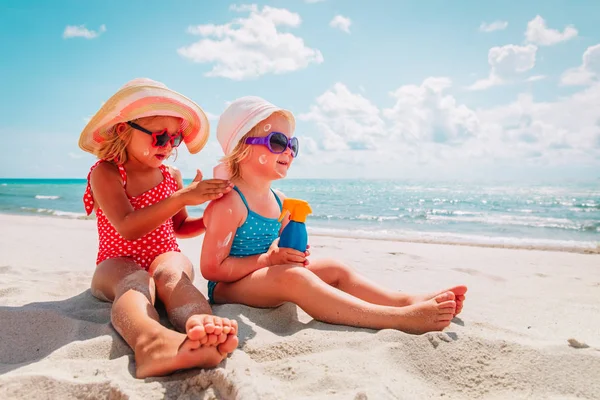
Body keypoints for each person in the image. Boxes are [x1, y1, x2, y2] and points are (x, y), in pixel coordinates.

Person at [200, 96, 467, 335]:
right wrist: (269, 259)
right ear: (242, 149)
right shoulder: (230, 203)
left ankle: (405, 301)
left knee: (334, 268)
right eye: (278, 142)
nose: (289, 151)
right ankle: (396, 318)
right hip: (228, 288)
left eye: (292, 143)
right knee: (295, 278)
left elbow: (276, 248)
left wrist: (289, 252)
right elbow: (212, 269)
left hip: (266, 278)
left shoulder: (279, 200)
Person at [79, 78, 238, 378]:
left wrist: (211, 217)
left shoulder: (170, 175)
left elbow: (179, 226)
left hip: (164, 253)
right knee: (135, 280)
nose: (168, 146)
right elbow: (127, 227)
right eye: (160, 137)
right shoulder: (108, 172)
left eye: (175, 139)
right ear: (125, 130)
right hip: (115, 262)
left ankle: (200, 326)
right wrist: (184, 196)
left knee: (171, 275)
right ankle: (149, 342)